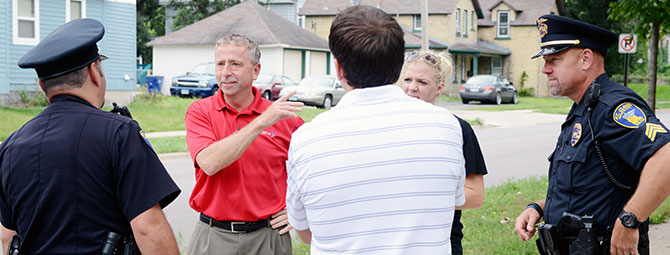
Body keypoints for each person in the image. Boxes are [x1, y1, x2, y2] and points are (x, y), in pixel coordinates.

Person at [285, 5, 466, 254]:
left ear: (338, 68)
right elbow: (454, 201)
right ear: (397, 64)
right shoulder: (446, 126)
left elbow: (305, 232)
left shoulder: (306, 139)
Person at [0, 18, 181, 254]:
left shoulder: (9, 147)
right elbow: (148, 229)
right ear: (95, 71)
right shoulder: (120, 134)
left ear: (43, 87)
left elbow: (8, 238)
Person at [514, 15, 670, 255]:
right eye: (545, 61)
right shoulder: (584, 109)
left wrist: (629, 220)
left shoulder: (613, 107)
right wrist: (539, 208)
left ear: (585, 59)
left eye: (554, 59)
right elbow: (590, 188)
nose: (545, 69)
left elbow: (666, 156)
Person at [184, 34, 305, 255]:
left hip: (269, 238)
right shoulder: (200, 111)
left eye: (235, 64)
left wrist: (300, 209)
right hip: (213, 237)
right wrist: (261, 122)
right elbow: (209, 163)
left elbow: (319, 167)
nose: (226, 72)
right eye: (220, 64)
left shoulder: (286, 118)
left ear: (256, 70)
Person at [401, 50, 488, 255]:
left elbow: (476, 196)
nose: (412, 88)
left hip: (441, 242)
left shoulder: (458, 129)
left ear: (439, 88)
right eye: (407, 79)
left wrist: (418, 199)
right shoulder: (386, 125)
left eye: (422, 82)